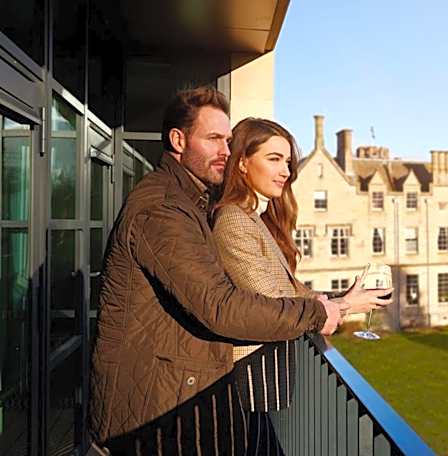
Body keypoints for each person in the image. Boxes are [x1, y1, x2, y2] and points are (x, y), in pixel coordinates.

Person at [88, 87, 381, 455]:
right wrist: (320, 311)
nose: (226, 151)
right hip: (154, 415)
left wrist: (338, 303)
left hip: (176, 400)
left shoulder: (190, 203)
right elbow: (222, 307)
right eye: (213, 139)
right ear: (178, 140)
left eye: (228, 140)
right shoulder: (163, 209)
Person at [211, 117, 392, 454]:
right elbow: (275, 301)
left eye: (289, 162)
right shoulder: (233, 220)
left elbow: (290, 290)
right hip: (250, 376)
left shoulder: (254, 217)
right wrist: (342, 307)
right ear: (242, 163)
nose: (286, 171)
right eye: (274, 159)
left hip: (265, 373)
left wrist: (344, 300)